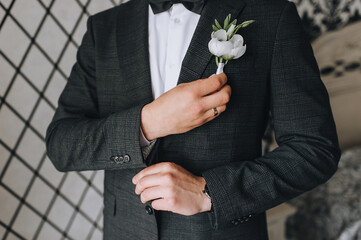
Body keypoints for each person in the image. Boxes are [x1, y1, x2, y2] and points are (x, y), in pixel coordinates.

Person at [45, 0, 341, 239]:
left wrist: (209, 192)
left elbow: (313, 150)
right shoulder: (104, 28)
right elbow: (61, 144)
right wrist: (149, 122)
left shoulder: (271, 15)